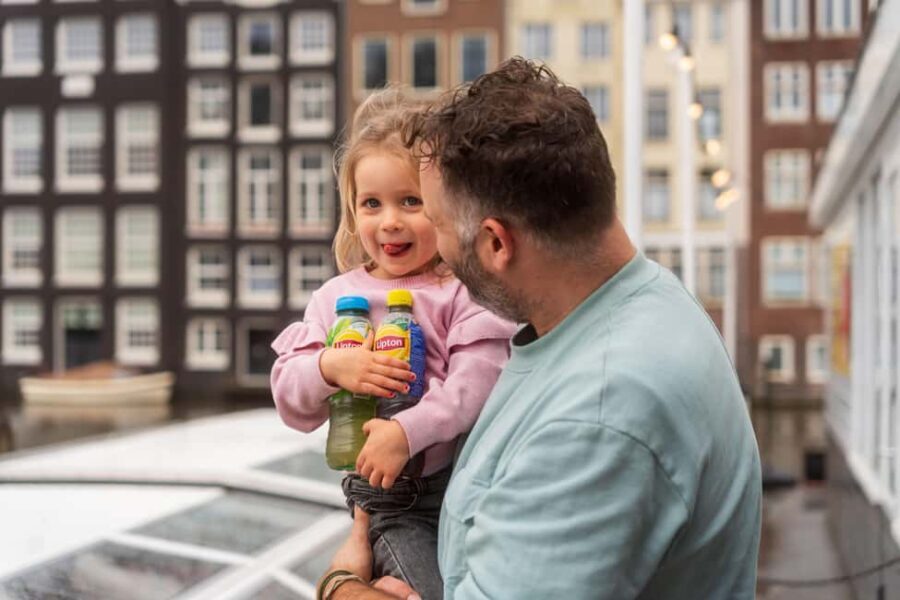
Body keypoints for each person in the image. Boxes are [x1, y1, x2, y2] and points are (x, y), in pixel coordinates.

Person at [318, 58, 762, 600]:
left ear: (496, 243)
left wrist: (341, 587)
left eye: (433, 220)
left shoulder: (601, 413)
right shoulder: (646, 301)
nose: (431, 251)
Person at [270, 87, 516, 600]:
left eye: (412, 201)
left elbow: (478, 385)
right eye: (372, 204)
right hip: (390, 504)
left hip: (462, 489)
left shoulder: (461, 292)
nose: (390, 221)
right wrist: (329, 368)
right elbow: (290, 398)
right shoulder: (336, 297)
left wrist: (406, 431)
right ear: (352, 211)